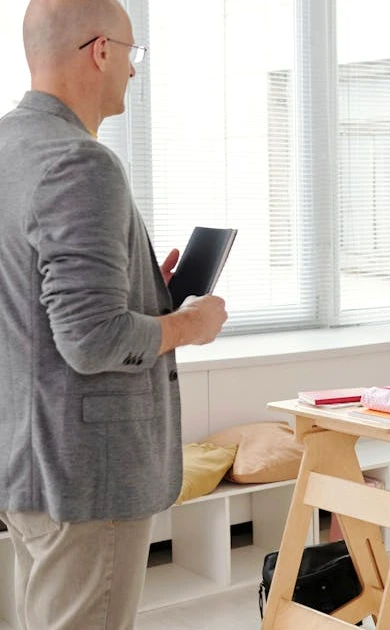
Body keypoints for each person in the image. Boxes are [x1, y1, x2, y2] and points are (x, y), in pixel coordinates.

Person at [0, 2, 229, 628]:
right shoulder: (81, 162)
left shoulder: (8, 146)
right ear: (101, 50)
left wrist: (144, 289)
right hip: (86, 471)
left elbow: (31, 298)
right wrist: (190, 324)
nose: (133, 71)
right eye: (132, 53)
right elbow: (91, 339)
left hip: (26, 460)